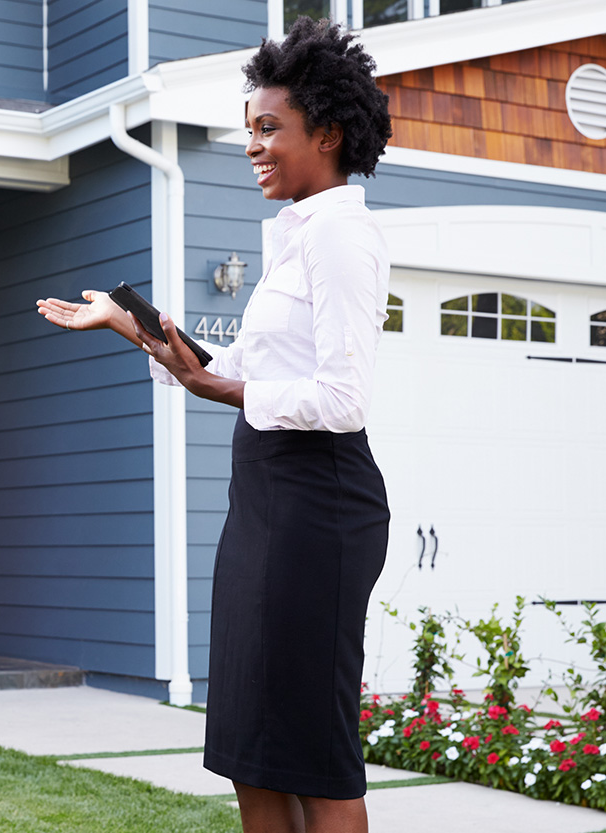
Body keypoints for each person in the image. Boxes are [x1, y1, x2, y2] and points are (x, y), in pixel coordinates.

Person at [37, 17, 393, 833]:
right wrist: (132, 325)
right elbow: (242, 362)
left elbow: (342, 397)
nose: (253, 146)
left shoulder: (341, 231)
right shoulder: (296, 232)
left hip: (318, 508)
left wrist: (214, 390)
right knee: (251, 741)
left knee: (310, 746)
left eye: (270, 128)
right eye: (249, 130)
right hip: (265, 503)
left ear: (329, 132)